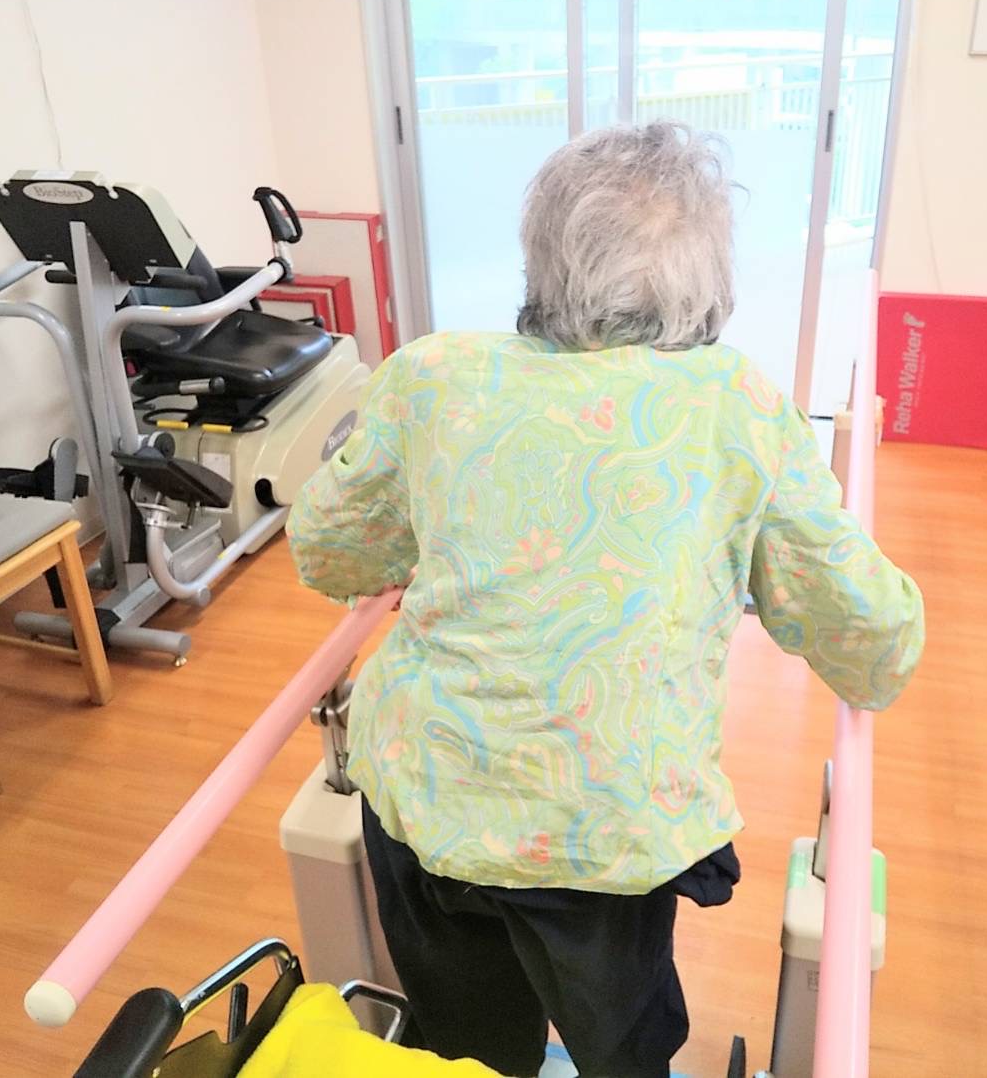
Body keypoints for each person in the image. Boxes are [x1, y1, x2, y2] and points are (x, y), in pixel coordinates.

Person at [288, 122, 924, 1078]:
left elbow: (330, 550)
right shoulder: (734, 403)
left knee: (465, 1046)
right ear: (707, 275)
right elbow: (869, 635)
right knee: (622, 1050)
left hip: (424, 792)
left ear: (541, 256)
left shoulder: (432, 374)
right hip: (598, 824)